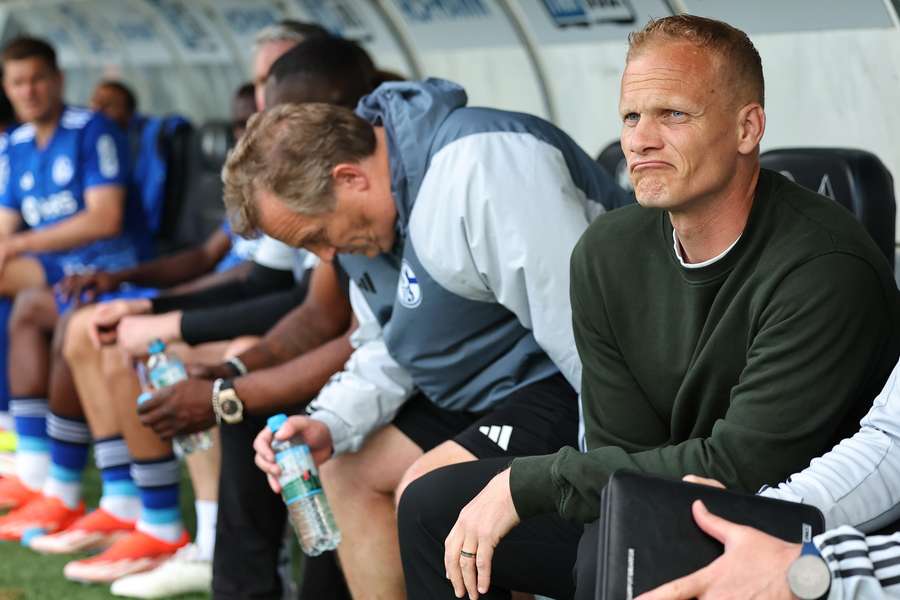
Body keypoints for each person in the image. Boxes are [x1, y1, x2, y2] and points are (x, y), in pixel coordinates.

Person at [396, 14, 900, 600]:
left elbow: (743, 469)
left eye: (674, 115)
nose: (640, 139)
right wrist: (553, 490)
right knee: (434, 507)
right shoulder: (608, 251)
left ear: (748, 128)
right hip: (667, 493)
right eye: (632, 117)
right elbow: (621, 453)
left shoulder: (823, 265)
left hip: (775, 520)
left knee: (605, 560)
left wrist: (531, 482)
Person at [235, 62, 631, 597]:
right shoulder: (372, 220)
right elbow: (390, 344)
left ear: (349, 178)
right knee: (344, 473)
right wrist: (329, 422)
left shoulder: (481, 166)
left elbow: (590, 336)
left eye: (316, 237)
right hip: (489, 386)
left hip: (568, 377)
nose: (324, 256)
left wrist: (609, 477)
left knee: (430, 490)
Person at [133, 35, 380, 600]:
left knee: (331, 452)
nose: (267, 116)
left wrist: (230, 391)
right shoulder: (302, 175)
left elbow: (370, 341)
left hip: (449, 390)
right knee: (257, 413)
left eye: (281, 103)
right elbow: (318, 312)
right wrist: (234, 376)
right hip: (384, 368)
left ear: (331, 100)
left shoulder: (391, 173)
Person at [0, 36, 138, 525]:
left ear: (58, 80)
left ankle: (35, 460)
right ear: (7, 88)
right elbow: (5, 223)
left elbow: (105, 218)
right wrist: (8, 245)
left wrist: (17, 246)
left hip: (104, 264)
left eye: (38, 79)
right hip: (55, 264)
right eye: (18, 82)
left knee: (32, 307)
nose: (29, 90)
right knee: (21, 298)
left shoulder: (91, 128)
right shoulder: (14, 143)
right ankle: (24, 450)